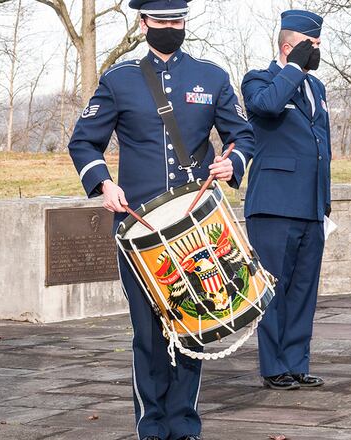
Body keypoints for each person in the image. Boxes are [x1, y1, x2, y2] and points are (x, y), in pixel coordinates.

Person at [67, 1, 256, 439]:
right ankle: (150, 425)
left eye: (178, 20)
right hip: (140, 229)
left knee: (195, 321)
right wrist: (102, 184)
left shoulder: (211, 76)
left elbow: (242, 134)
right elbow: (84, 142)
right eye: (162, 20)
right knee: (149, 333)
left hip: (197, 224)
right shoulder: (119, 80)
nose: (171, 27)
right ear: (144, 22)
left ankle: (184, 422)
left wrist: (234, 163)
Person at [241, 10, 330, 391]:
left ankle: (296, 362)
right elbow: (266, 107)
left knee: (303, 289)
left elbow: (320, 148)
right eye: (313, 46)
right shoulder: (259, 80)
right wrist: (293, 68)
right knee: (273, 290)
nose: (317, 52)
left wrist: (324, 203)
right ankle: (273, 366)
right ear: (289, 46)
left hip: (310, 206)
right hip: (274, 206)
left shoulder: (318, 89)